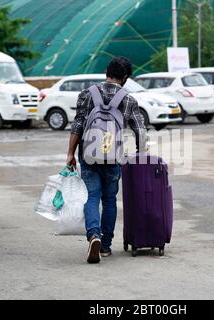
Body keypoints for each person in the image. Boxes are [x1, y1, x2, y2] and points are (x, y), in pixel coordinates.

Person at [66, 57, 147, 264]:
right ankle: (105, 246)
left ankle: (94, 235)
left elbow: (77, 125)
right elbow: (140, 131)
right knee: (109, 200)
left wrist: (70, 154)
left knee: (91, 196)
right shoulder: (129, 100)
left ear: (106, 72)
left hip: (88, 156)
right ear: (125, 78)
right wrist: (140, 153)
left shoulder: (87, 94)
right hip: (113, 157)